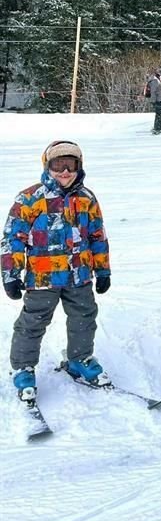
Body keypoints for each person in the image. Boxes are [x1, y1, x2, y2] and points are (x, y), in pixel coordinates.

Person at [1, 140, 111, 400]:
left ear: (78, 167)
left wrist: (103, 270)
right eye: (58, 165)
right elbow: (12, 239)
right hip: (42, 278)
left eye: (70, 165)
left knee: (84, 317)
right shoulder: (30, 198)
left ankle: (79, 359)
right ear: (47, 166)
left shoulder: (86, 199)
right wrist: (11, 274)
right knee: (33, 322)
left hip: (79, 275)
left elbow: (97, 236)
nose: (64, 171)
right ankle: (23, 368)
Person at [148, 69, 161, 134]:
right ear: (159, 75)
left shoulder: (156, 81)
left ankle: (158, 128)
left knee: (159, 114)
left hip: (158, 101)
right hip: (156, 101)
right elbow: (153, 92)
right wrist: (154, 102)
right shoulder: (154, 81)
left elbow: (160, 90)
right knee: (159, 115)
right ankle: (158, 129)